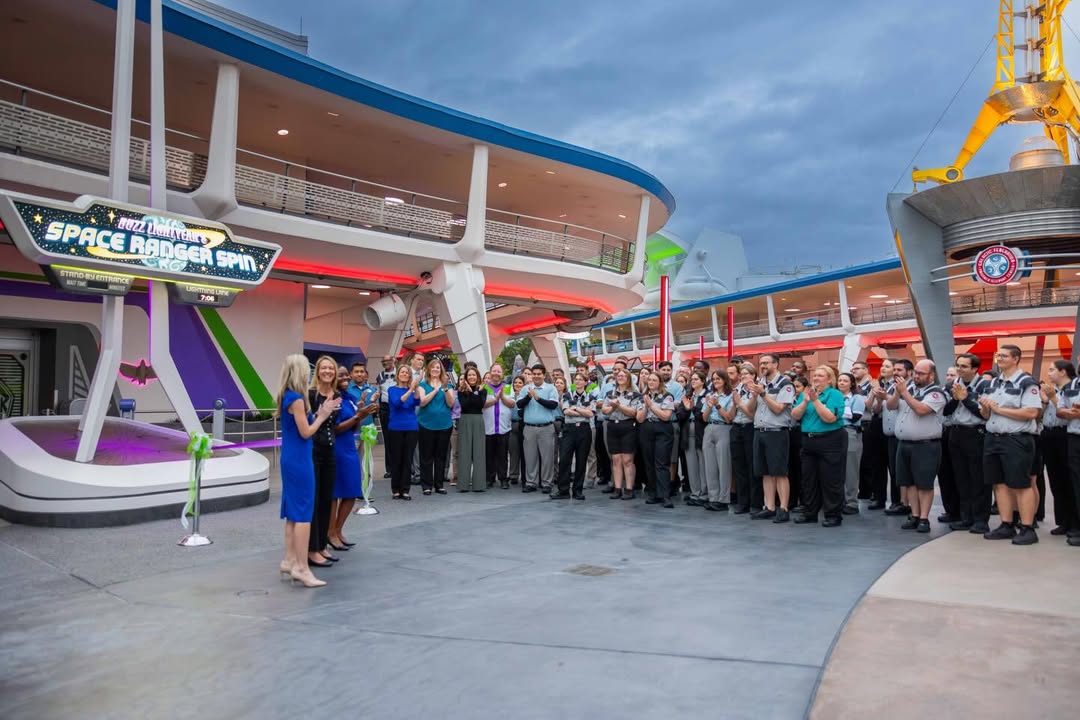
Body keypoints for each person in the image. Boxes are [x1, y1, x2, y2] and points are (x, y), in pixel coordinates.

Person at [276, 354, 339, 588]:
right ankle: (302, 567)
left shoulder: (287, 396)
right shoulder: (297, 399)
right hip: (300, 459)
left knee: (292, 511)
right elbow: (306, 431)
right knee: (303, 513)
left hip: (291, 457)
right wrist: (323, 415)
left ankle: (289, 559)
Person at [980, 345, 1042, 545]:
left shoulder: (1027, 382)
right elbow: (987, 414)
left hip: (1016, 439)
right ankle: (1006, 524)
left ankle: (1027, 527)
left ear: (1016, 359)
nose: (1000, 359)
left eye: (1004, 356)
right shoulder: (994, 383)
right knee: (999, 483)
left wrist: (999, 409)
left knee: (1021, 484)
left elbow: (1032, 412)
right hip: (993, 437)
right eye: (998, 355)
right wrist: (985, 408)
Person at [890, 360, 947, 533]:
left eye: (921, 373)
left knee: (924, 483)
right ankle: (914, 515)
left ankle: (924, 518)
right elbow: (891, 406)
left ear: (931, 375)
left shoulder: (936, 393)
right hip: (904, 443)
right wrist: (897, 393)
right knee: (909, 483)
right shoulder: (909, 389)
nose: (916, 376)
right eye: (915, 372)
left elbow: (921, 410)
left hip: (925, 445)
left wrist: (905, 393)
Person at [792, 365, 847, 526]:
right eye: (814, 375)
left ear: (829, 379)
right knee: (808, 479)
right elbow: (795, 415)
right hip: (809, 440)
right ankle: (810, 512)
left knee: (831, 479)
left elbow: (829, 418)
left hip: (830, 439)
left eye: (820, 376)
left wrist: (815, 401)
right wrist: (805, 402)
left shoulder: (834, 394)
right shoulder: (805, 394)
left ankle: (833, 515)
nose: (815, 378)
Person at [942, 353, 990, 532]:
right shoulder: (952, 386)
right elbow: (946, 411)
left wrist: (965, 398)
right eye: (958, 366)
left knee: (978, 479)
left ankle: (980, 520)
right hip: (956, 433)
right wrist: (956, 398)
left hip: (976, 433)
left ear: (974, 369)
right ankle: (966, 516)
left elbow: (982, 413)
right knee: (961, 478)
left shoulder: (984, 385)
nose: (959, 370)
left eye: (964, 366)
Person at [750, 353, 796, 520]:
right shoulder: (760, 383)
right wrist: (754, 395)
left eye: (766, 363)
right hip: (760, 431)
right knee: (765, 472)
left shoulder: (786, 384)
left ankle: (783, 508)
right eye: (761, 363)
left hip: (777, 433)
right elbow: (750, 411)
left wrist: (763, 394)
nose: (762, 366)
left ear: (775, 364)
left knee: (779, 472)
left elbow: (778, 409)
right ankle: (769, 506)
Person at [329, 367, 367, 551]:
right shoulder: (332, 398)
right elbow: (335, 428)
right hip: (336, 448)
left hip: (349, 447)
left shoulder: (350, 398)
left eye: (346, 375)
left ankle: (338, 529)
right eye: (341, 375)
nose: (345, 377)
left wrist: (361, 413)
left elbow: (354, 427)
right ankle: (330, 533)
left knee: (352, 490)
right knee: (335, 493)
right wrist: (358, 416)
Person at [308, 356, 341, 569]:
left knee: (326, 498)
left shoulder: (337, 395)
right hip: (312, 450)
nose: (328, 371)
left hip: (330, 450)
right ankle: (311, 548)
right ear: (318, 371)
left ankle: (321, 544)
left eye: (331, 368)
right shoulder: (310, 395)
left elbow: (334, 425)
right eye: (324, 368)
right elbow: (308, 423)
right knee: (314, 497)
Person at [1040, 361, 1076, 538]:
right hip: (1048, 434)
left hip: (1065, 435)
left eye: (1052, 369)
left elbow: (1069, 413)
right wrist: (1045, 401)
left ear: (1063, 372)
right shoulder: (1050, 390)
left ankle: (1075, 522)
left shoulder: (1072, 389)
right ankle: (1063, 520)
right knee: (1055, 479)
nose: (1049, 373)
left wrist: (1054, 398)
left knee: (1069, 479)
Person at [517, 364, 559, 493]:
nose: (536, 376)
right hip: (529, 427)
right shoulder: (525, 389)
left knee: (547, 458)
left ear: (544, 374)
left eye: (538, 373)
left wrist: (538, 398)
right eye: (534, 373)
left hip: (546, 427)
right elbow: (519, 405)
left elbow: (553, 405)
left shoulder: (551, 388)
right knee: (530, 456)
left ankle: (547, 483)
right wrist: (529, 397)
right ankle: (531, 482)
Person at [417, 358, 456, 495]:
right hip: (426, 425)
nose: (435, 369)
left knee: (441, 456)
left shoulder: (448, 386)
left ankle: (439, 485)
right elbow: (422, 402)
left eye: (438, 368)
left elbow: (451, 404)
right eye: (433, 367)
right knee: (426, 456)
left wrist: (444, 389)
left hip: (444, 425)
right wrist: (435, 390)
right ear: (429, 369)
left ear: (441, 370)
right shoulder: (422, 385)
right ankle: (426, 485)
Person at [603, 368, 642, 499]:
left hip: (628, 426)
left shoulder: (635, 394)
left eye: (623, 376)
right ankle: (617, 488)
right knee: (616, 459)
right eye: (618, 376)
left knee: (627, 460)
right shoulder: (610, 393)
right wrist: (613, 407)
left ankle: (629, 489)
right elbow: (605, 410)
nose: (620, 377)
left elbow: (633, 413)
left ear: (628, 378)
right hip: (613, 425)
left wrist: (618, 406)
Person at [638, 371, 676, 508]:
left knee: (661, 463)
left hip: (662, 429)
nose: (651, 382)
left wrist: (652, 406)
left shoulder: (667, 396)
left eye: (654, 380)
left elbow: (666, 416)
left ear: (660, 382)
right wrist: (646, 406)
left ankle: (665, 495)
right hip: (646, 428)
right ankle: (652, 493)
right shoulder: (643, 397)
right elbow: (640, 418)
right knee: (649, 463)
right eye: (649, 380)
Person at [701, 370, 736, 512]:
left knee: (723, 465)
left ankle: (724, 499)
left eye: (718, 378)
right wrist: (709, 405)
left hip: (724, 429)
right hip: (709, 428)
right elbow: (704, 417)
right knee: (710, 466)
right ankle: (713, 497)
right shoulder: (710, 395)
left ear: (725, 379)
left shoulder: (730, 396)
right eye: (714, 379)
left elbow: (728, 418)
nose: (716, 381)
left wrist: (717, 405)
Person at [555, 372, 594, 500]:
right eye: (575, 379)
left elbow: (590, 413)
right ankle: (563, 491)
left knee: (581, 461)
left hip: (584, 429)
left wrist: (576, 409)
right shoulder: (567, 395)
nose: (577, 382)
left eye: (580, 379)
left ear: (585, 382)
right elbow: (566, 411)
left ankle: (578, 490)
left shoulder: (590, 395)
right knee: (565, 459)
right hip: (569, 429)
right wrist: (582, 410)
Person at [386, 364, 420, 500]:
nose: (405, 374)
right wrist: (410, 389)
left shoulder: (412, 390)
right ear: (398, 374)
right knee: (396, 459)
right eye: (402, 372)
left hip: (411, 427)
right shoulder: (392, 389)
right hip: (395, 427)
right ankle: (395, 489)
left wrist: (416, 387)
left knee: (407, 459)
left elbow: (417, 401)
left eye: (407, 372)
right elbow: (397, 403)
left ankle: (405, 489)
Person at [730, 362, 759, 515]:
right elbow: (730, 415)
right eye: (741, 374)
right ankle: (743, 502)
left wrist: (739, 404)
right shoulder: (737, 390)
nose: (743, 376)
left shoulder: (756, 391)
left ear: (753, 375)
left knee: (751, 467)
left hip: (750, 428)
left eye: (746, 374)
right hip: (736, 427)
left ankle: (755, 503)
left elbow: (751, 415)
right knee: (739, 467)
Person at [863, 359, 891, 510]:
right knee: (876, 463)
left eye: (887, 366)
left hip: (892, 426)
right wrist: (875, 394)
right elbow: (871, 407)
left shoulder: (896, 386)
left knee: (892, 466)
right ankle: (878, 497)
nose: (883, 368)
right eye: (883, 366)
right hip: (877, 424)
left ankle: (898, 501)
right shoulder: (876, 384)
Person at [455, 366, 487, 492]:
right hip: (465, 420)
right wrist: (470, 392)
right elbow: (465, 405)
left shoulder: (482, 390)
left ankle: (479, 484)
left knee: (479, 452)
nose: (472, 377)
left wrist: (474, 392)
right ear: (466, 378)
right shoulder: (461, 391)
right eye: (469, 375)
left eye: (474, 375)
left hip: (478, 420)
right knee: (464, 452)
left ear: (477, 377)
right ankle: (463, 484)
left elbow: (480, 405)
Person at [837, 372, 865, 515]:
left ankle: (851, 502)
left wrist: (836, 412)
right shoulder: (834, 396)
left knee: (850, 469)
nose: (841, 383)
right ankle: (838, 500)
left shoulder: (856, 398)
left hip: (850, 432)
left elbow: (855, 417)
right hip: (834, 432)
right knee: (836, 468)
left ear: (851, 383)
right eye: (840, 380)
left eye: (845, 381)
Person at [483, 363, 515, 489]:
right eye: (494, 371)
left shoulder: (508, 387)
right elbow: (481, 403)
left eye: (499, 371)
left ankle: (503, 479)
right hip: (488, 426)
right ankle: (489, 478)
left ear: (502, 373)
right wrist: (494, 400)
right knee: (488, 454)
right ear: (490, 372)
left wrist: (502, 397)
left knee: (503, 454)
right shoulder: (484, 387)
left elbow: (512, 403)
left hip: (503, 426)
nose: (496, 373)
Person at [679, 371, 709, 506]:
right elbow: (680, 414)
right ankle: (695, 492)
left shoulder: (707, 396)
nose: (693, 381)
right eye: (692, 379)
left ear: (703, 381)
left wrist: (692, 408)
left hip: (701, 433)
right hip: (688, 432)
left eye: (697, 379)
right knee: (691, 465)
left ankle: (704, 493)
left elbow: (703, 416)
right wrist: (686, 409)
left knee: (703, 465)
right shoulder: (687, 395)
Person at [376, 355, 396, 478]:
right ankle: (389, 468)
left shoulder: (401, 373)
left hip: (398, 408)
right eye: (383, 361)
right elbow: (378, 392)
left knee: (398, 438)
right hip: (385, 408)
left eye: (388, 361)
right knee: (387, 439)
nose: (385, 363)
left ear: (394, 361)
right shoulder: (380, 376)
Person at [508, 375, 526, 485]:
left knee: (525, 451)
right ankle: (513, 475)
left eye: (520, 383)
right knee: (513, 451)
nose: (517, 384)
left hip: (523, 424)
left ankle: (525, 475)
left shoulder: (526, 396)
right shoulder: (509, 396)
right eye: (516, 383)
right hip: (512, 424)